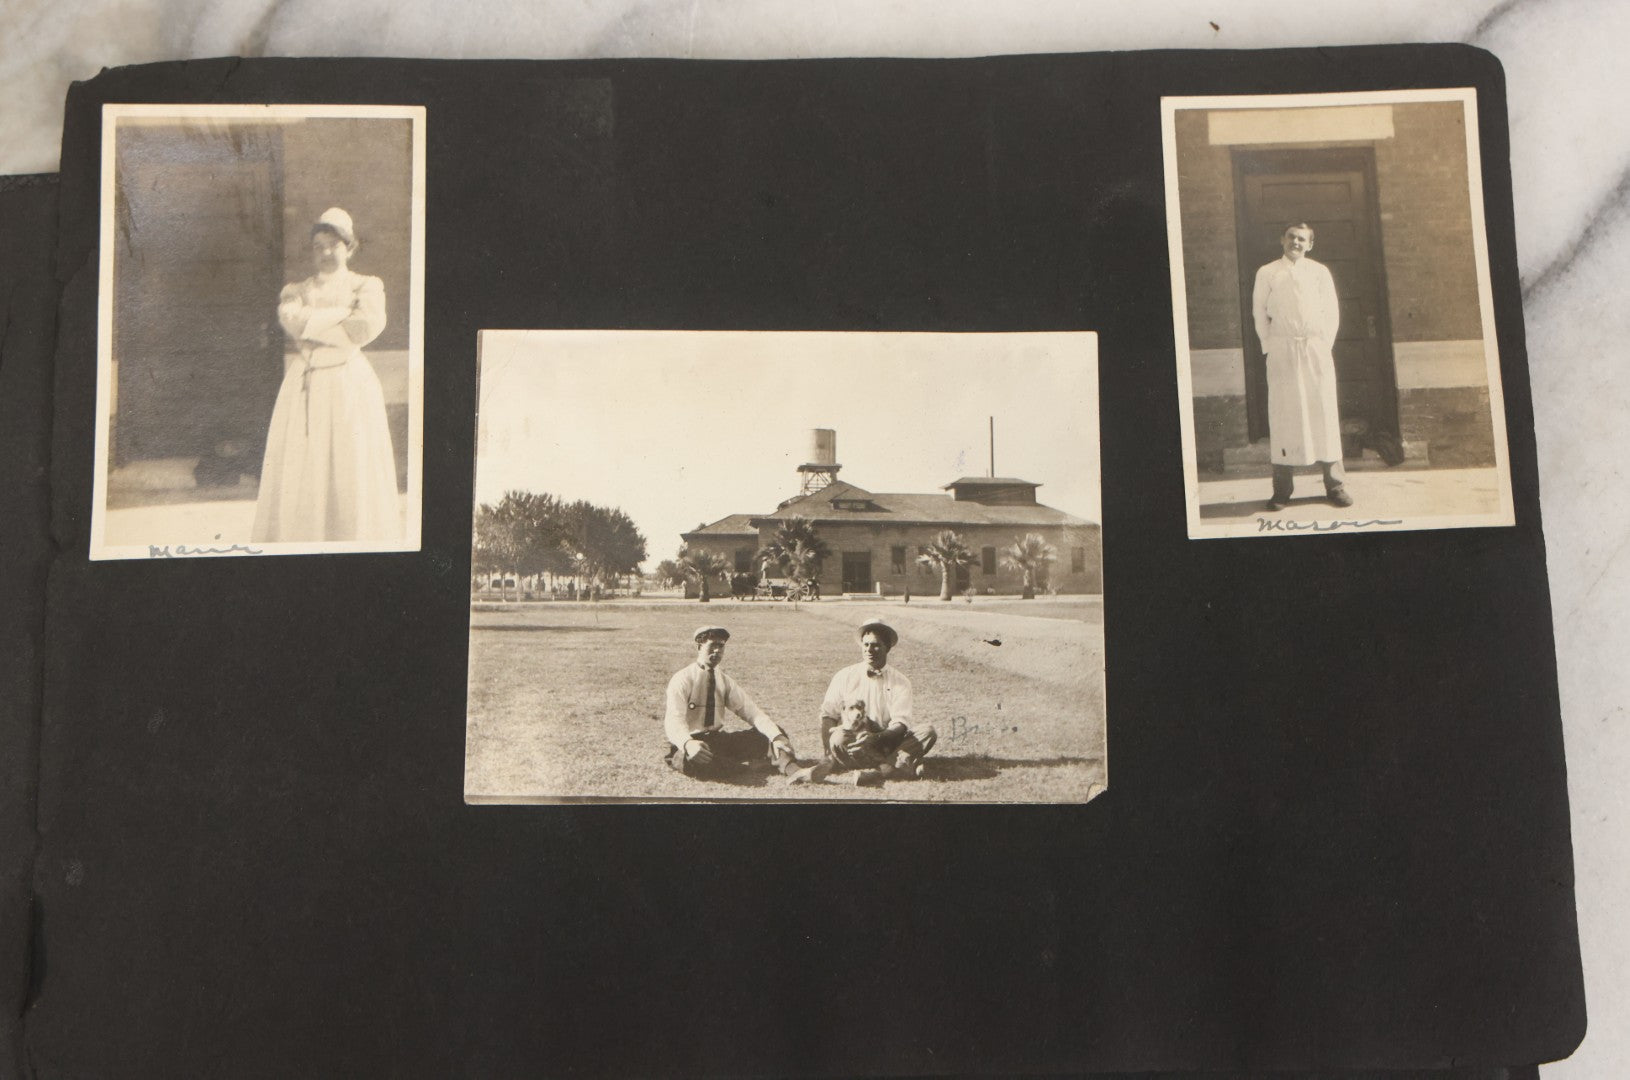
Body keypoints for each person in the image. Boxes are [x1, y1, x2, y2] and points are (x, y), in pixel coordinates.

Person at [252, 207, 401, 543]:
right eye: (317, 246)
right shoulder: (297, 290)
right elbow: (291, 321)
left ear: (350, 247)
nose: (324, 253)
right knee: (305, 462)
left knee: (349, 459)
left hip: (349, 382)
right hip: (306, 383)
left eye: (332, 245)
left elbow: (364, 328)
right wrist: (340, 317)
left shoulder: (367, 286)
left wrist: (314, 322)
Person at [1251, 222, 1353, 511]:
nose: (1296, 242)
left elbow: (1331, 312)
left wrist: (1322, 346)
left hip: (1314, 351)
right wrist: (1270, 346)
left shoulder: (1319, 272)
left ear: (1310, 244)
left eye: (1302, 239)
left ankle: (1335, 486)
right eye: (1292, 237)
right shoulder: (1268, 272)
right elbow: (1259, 312)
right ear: (1282, 239)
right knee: (1284, 417)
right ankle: (1282, 491)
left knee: (1324, 414)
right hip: (1282, 350)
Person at [663, 626, 829, 784]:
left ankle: (796, 772)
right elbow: (673, 720)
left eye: (721, 646)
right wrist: (687, 743)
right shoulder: (682, 679)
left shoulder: (724, 681)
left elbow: (752, 713)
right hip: (691, 743)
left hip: (717, 741)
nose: (717, 651)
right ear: (699, 646)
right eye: (712, 645)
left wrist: (776, 737)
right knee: (690, 761)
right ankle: (753, 766)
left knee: (773, 733)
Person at [819, 617, 937, 786]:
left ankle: (879, 771)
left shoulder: (901, 681)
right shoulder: (844, 676)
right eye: (865, 645)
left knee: (928, 731)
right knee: (838, 739)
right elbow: (828, 715)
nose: (869, 650)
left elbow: (900, 724)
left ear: (887, 648)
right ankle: (900, 765)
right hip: (856, 740)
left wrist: (875, 738)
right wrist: (827, 754)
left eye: (875, 645)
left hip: (889, 740)